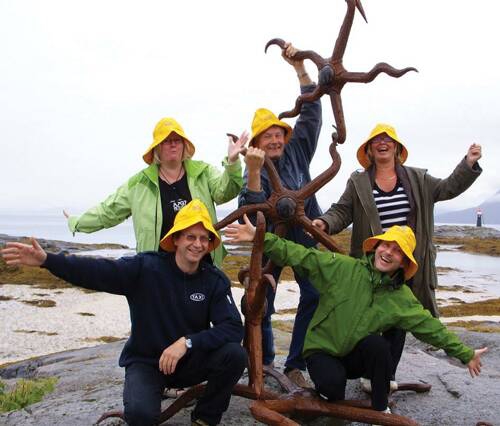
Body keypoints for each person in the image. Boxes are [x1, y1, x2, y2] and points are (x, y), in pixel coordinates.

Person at [3, 200, 246, 426]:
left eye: (204, 238)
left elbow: (233, 328)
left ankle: (204, 418)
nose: (198, 244)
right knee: (141, 415)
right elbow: (96, 271)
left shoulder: (213, 280)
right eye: (190, 236)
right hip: (148, 363)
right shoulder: (145, 268)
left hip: (190, 361)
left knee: (235, 355)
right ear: (176, 239)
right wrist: (48, 260)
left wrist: (188, 342)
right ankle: (149, 395)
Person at [225, 218, 487, 415]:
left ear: (404, 263)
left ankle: (380, 408)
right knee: (332, 388)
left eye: (397, 251)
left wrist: (465, 353)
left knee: (378, 346)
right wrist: (259, 237)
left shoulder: (401, 298)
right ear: (376, 247)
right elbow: (301, 255)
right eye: (386, 245)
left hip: (354, 356)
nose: (388, 252)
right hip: (322, 350)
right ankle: (329, 398)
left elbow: (430, 327)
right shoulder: (342, 267)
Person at [311, 123, 482, 387]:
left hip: (405, 262)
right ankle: (366, 370)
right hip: (374, 262)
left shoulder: (418, 179)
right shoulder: (358, 182)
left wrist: (468, 164)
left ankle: (386, 376)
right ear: (369, 149)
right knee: (365, 317)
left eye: (388, 139)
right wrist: (324, 222)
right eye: (376, 140)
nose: (383, 143)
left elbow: (448, 188)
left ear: (397, 148)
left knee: (398, 320)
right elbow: (342, 211)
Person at [238, 42, 323, 387]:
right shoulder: (253, 166)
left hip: (305, 232)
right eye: (267, 136)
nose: (274, 140)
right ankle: (265, 361)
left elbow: (312, 110)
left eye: (278, 134)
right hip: (270, 238)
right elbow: (249, 209)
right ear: (257, 143)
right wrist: (254, 171)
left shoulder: (298, 150)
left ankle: (295, 364)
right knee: (260, 299)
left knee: (315, 294)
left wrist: (300, 69)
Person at [65, 118, 248, 267]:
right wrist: (77, 222)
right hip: (156, 270)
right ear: (157, 147)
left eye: (177, 140)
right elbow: (108, 211)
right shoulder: (139, 184)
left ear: (184, 145)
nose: (173, 145)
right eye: (166, 141)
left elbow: (226, 191)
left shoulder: (203, 172)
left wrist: (232, 162)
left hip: (202, 265)